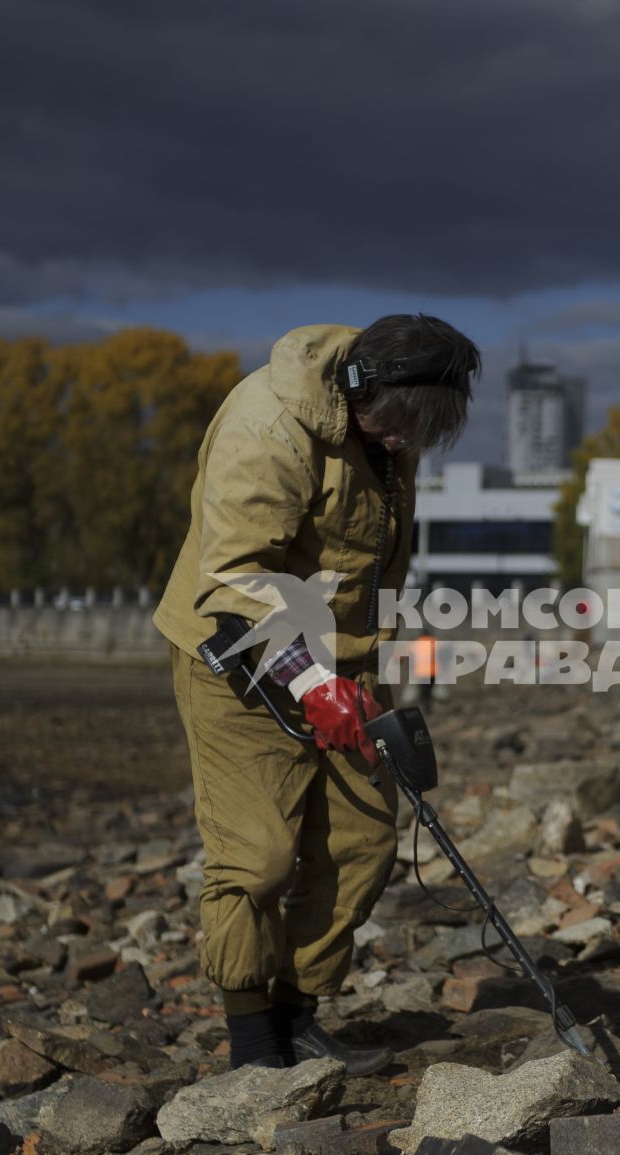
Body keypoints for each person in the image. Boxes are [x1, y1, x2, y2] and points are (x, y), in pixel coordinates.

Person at [152, 316, 480, 1073]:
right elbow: (234, 577)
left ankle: (299, 1016)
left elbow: (372, 562)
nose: (404, 445)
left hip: (345, 658)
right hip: (232, 650)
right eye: (399, 427)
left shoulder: (391, 433)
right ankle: (254, 1046)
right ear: (366, 386)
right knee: (259, 858)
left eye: (420, 435)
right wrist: (311, 682)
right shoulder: (266, 425)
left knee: (364, 841)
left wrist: (351, 675)